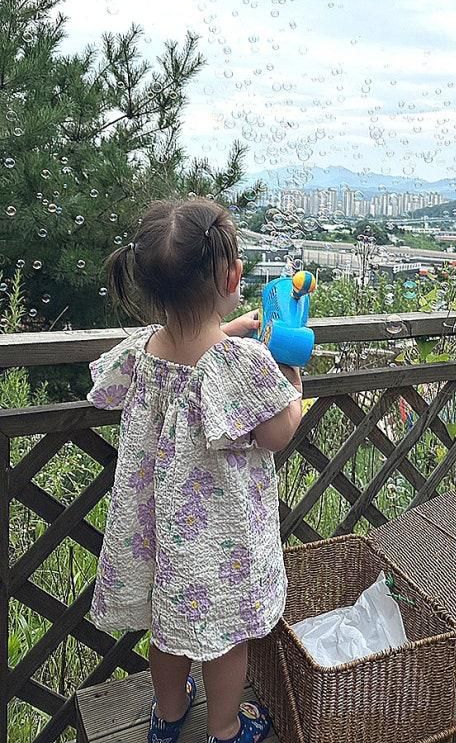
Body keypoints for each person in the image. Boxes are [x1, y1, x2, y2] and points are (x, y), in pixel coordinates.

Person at [87, 198, 303, 743]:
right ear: (233, 275)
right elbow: (277, 432)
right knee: (227, 635)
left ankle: (169, 716)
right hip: (221, 538)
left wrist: (228, 328)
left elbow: (177, 359)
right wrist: (293, 382)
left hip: (159, 529)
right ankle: (227, 728)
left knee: (168, 627)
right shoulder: (243, 364)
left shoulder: (144, 350)